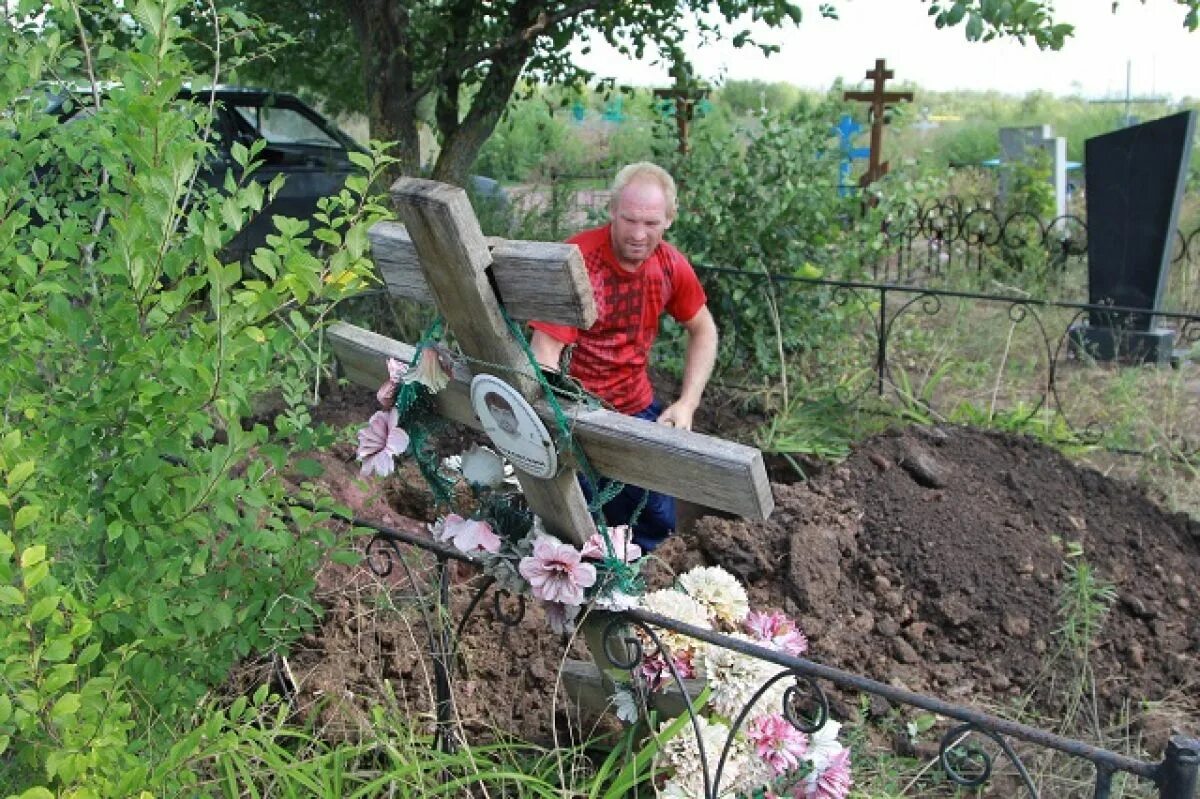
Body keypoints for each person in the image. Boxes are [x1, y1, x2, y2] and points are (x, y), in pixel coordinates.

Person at [529, 162, 718, 552]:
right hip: (577, 410)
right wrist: (554, 419)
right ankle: (582, 591)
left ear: (669, 219)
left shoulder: (670, 265)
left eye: (650, 223)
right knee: (578, 522)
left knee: (657, 521)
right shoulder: (577, 260)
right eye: (629, 219)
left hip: (636, 407)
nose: (637, 234)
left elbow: (704, 329)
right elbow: (546, 351)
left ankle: (636, 593)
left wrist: (687, 403)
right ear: (612, 210)